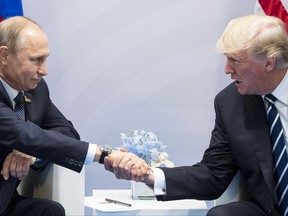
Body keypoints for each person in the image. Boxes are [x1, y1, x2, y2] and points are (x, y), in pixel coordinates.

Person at [106, 14, 288, 216]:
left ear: (269, 63)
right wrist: (148, 175)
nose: (227, 69)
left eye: (235, 60)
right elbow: (213, 174)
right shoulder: (231, 103)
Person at [0, 16, 150, 216]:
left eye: (45, 59)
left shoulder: (35, 89)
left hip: (5, 201)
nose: (44, 71)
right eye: (36, 60)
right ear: (4, 55)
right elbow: (23, 135)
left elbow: (68, 132)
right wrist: (104, 154)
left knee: (49, 211)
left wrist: (33, 153)